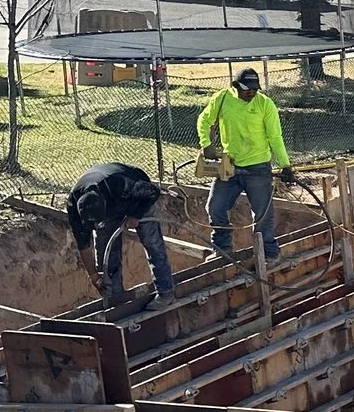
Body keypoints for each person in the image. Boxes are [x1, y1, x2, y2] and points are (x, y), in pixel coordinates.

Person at [196, 68, 294, 261]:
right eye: (247, 89)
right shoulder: (222, 99)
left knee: (263, 213)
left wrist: (285, 165)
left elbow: (275, 137)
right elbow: (204, 120)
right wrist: (206, 145)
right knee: (215, 207)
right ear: (235, 86)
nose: (251, 92)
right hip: (230, 166)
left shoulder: (265, 104)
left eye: (254, 89)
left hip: (258, 168)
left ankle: (268, 252)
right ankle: (222, 249)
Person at [66, 160, 175, 309]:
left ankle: (165, 292)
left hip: (137, 199)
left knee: (152, 243)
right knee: (106, 255)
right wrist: (94, 276)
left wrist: (136, 215)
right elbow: (84, 245)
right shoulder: (74, 206)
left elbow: (153, 192)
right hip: (109, 206)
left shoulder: (120, 184)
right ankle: (116, 301)